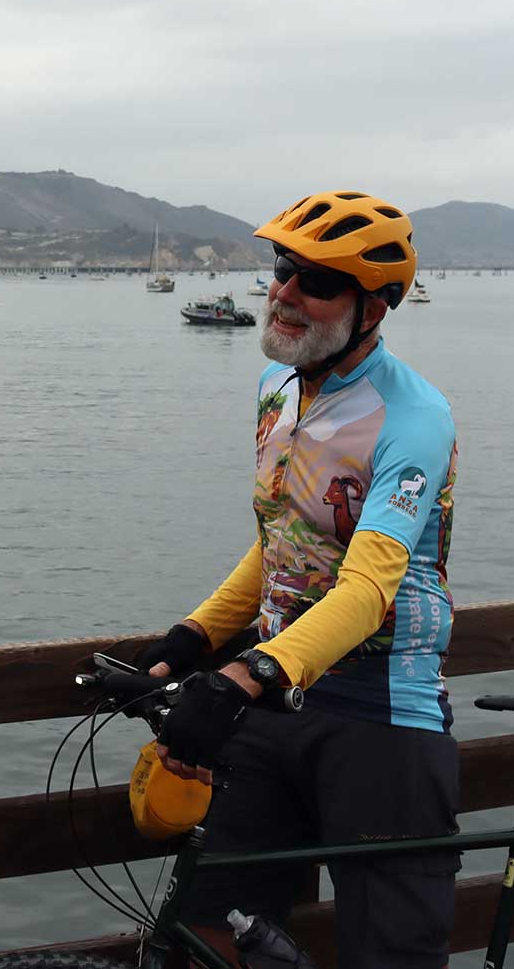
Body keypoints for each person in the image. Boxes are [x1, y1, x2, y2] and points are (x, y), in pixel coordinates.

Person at [144, 191, 459, 968]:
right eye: (283, 270)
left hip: (382, 710)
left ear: (375, 307)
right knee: (207, 929)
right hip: (281, 697)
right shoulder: (278, 390)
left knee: (387, 954)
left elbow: (367, 586)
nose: (284, 293)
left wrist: (245, 673)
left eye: (316, 282)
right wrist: (190, 639)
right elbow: (283, 541)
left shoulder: (412, 417)